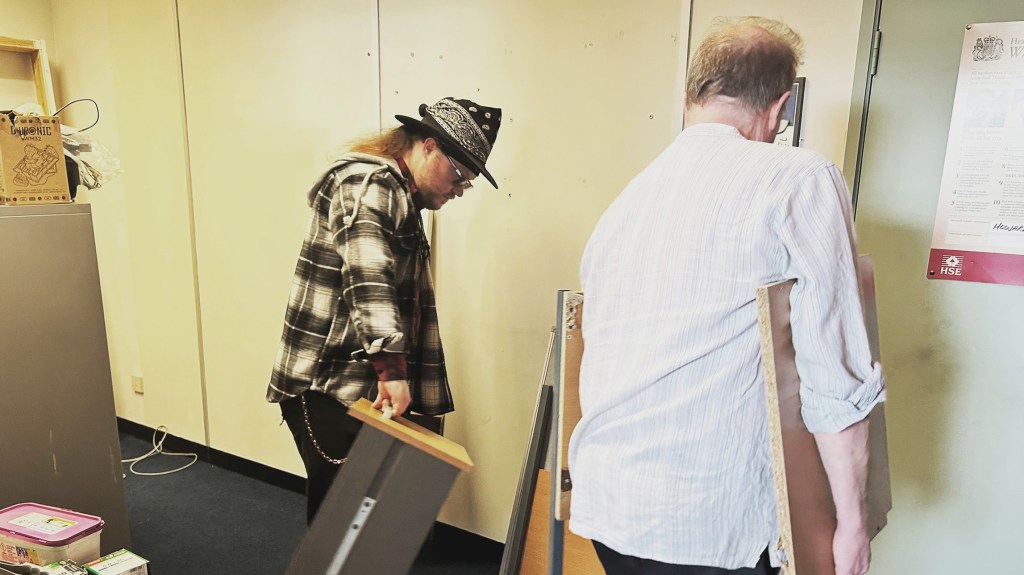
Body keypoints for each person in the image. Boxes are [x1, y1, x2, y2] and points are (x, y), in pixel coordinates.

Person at [567, 17, 885, 575]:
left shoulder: (628, 200)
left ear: (692, 94)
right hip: (708, 519)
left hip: (611, 502)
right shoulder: (801, 178)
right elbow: (835, 381)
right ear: (780, 107)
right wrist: (853, 526)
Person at [267, 97, 502, 522]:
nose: (458, 190)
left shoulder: (401, 197)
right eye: (458, 175)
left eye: (467, 183)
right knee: (341, 522)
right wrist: (392, 372)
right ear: (428, 146)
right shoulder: (369, 183)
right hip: (327, 384)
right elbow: (367, 274)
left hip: (357, 382)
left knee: (363, 517)